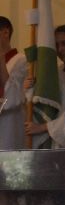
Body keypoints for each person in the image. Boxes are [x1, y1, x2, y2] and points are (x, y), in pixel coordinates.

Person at [25, 23, 65, 147]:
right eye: (56, 45)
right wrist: (30, 89)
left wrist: (44, 127)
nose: (60, 49)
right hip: (57, 139)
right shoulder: (57, 73)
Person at [0, 16, 28, 149]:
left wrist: (1, 59)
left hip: (9, 127)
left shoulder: (21, 60)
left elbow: (12, 97)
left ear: (5, 32)